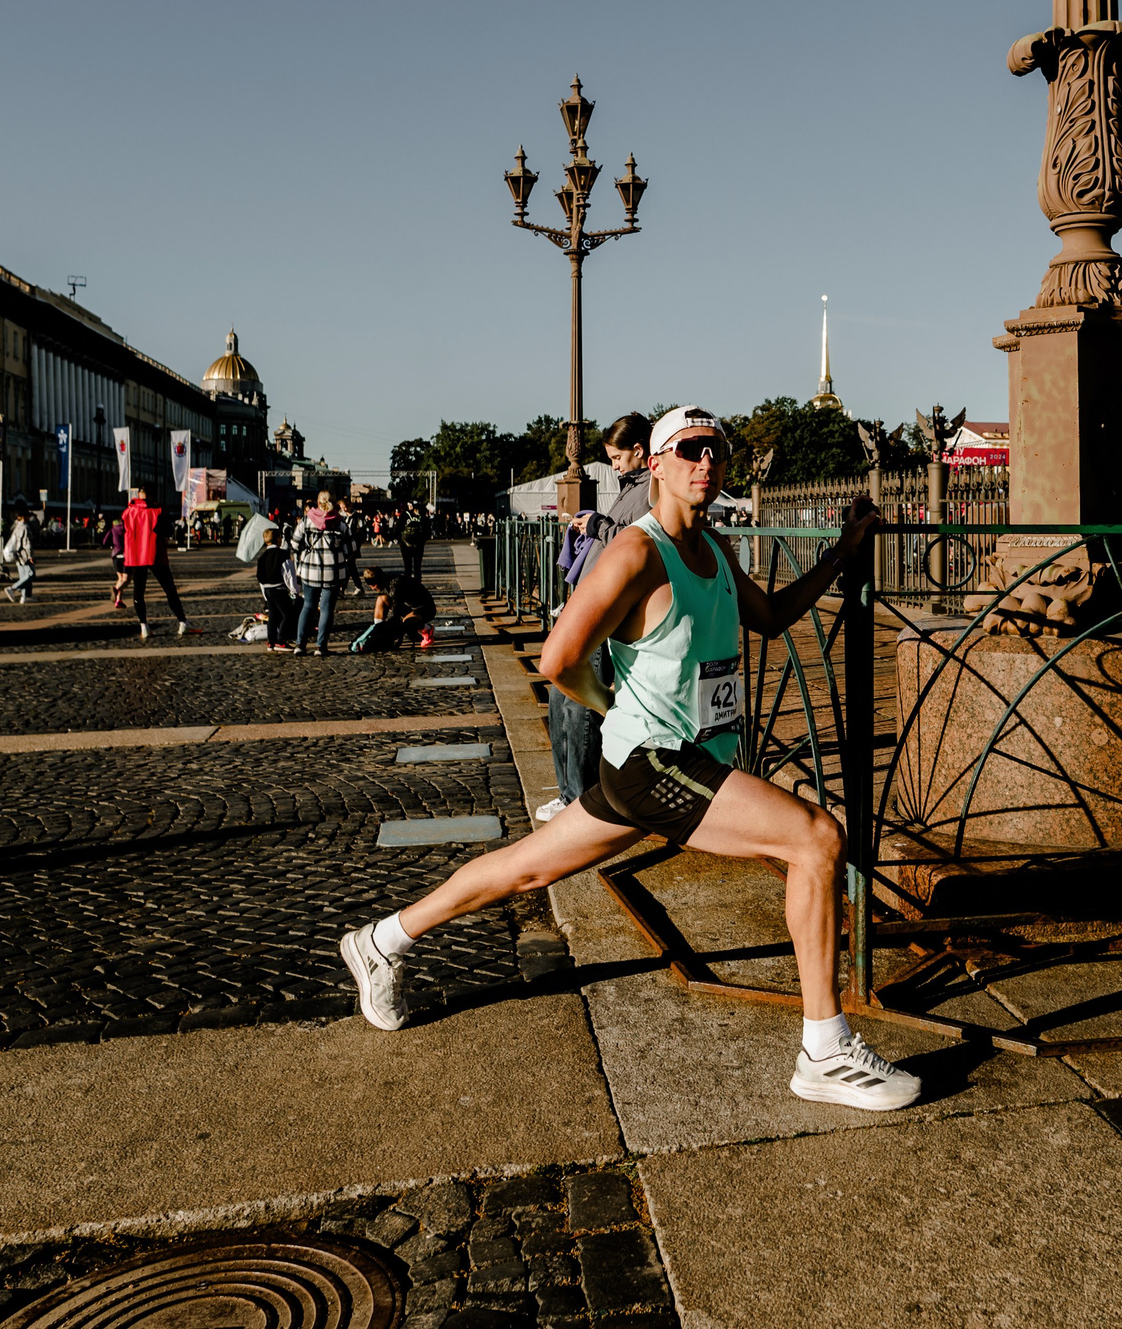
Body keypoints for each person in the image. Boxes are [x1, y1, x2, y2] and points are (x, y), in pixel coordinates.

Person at [336, 406, 915, 1110]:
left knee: (527, 867)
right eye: (692, 449)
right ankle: (825, 1049)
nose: (709, 462)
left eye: (719, 451)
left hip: (678, 762)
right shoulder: (637, 553)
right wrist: (614, 710)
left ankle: (381, 939)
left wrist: (840, 552)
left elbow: (770, 617)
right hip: (656, 762)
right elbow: (559, 660)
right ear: (657, 463)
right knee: (816, 837)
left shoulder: (713, 545)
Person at [538, 412, 655, 824]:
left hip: (608, 609)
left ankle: (580, 798)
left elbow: (635, 542)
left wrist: (598, 524)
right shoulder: (631, 486)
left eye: (617, 457)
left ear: (639, 451)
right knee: (560, 693)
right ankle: (569, 791)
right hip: (590, 602)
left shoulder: (652, 489)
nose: (613, 465)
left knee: (579, 701)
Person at [118, 488, 197, 640]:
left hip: (136, 556)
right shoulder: (159, 511)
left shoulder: (128, 512)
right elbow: (167, 531)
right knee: (170, 590)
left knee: (138, 592)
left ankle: (144, 626)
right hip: (155, 554)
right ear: (152, 495)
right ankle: (182, 622)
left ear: (138, 495)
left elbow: (123, 531)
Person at [289, 491, 352, 655]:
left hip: (310, 571)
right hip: (333, 572)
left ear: (318, 502)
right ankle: (320, 646)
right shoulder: (341, 523)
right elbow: (350, 549)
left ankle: (300, 645)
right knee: (326, 610)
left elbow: (294, 544)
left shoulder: (306, 520)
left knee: (308, 606)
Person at [350, 567, 437, 652]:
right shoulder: (384, 583)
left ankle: (427, 629)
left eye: (373, 585)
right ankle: (377, 632)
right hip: (409, 607)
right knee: (381, 599)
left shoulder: (395, 585)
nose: (372, 588)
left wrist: (389, 634)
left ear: (379, 581)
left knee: (406, 622)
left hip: (425, 609)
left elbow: (396, 615)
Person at [255, 523, 296, 655]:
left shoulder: (262, 557)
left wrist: (265, 595)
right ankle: (281, 640)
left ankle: (271, 641)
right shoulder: (282, 554)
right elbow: (288, 573)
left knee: (273, 615)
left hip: (267, 589)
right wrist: (294, 590)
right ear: (278, 539)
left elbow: (260, 577)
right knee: (289, 614)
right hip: (279, 589)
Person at [0, 508, 38, 604]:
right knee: (30, 574)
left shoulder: (16, 526)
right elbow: (26, 543)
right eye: (28, 516)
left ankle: (25, 597)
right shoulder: (25, 527)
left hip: (17, 554)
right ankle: (13, 588)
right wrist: (30, 556)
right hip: (24, 554)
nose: (30, 517)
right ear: (25, 517)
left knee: (23, 576)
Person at [103, 514, 130, 609]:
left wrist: (114, 545)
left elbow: (105, 541)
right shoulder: (128, 529)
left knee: (120, 579)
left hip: (116, 556)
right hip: (126, 556)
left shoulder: (113, 529)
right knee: (127, 579)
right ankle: (116, 590)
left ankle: (119, 600)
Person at [397, 505, 430, 581]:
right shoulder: (406, 515)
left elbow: (427, 530)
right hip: (408, 544)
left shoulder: (422, 516)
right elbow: (428, 530)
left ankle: (414, 585)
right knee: (413, 567)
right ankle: (412, 584)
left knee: (413, 567)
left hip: (412, 544)